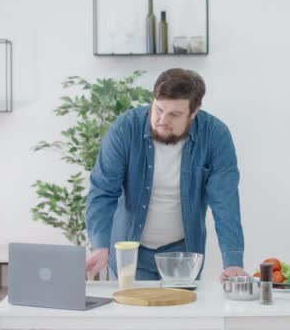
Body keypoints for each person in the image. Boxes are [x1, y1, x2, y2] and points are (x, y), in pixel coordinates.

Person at [84, 68, 247, 281]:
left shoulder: (215, 136)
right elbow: (103, 190)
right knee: (134, 313)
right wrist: (100, 245)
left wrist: (233, 261)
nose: (162, 119)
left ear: (194, 112)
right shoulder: (125, 129)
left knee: (182, 312)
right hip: (130, 252)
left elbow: (225, 201)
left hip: (184, 254)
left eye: (175, 114)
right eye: (159, 109)